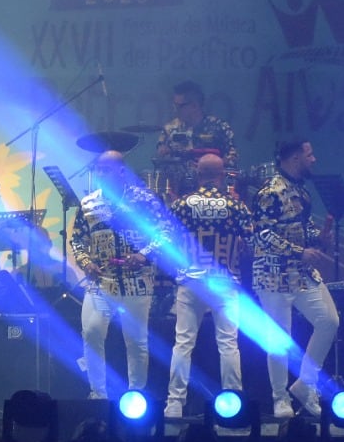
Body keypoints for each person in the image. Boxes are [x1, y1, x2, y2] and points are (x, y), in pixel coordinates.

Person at [69, 151, 172, 401]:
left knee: (136, 340)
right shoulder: (89, 203)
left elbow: (165, 233)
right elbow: (77, 240)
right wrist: (86, 263)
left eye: (107, 169)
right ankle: (98, 393)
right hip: (101, 280)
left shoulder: (145, 200)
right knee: (92, 332)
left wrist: (144, 255)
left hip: (136, 280)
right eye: (99, 170)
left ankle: (136, 393)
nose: (102, 174)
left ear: (122, 171)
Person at [253, 139, 340, 419]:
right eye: (309, 154)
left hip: (301, 275)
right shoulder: (271, 191)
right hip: (273, 276)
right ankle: (280, 398)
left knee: (329, 320)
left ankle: (305, 383)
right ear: (294, 159)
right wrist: (299, 252)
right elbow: (263, 235)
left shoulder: (301, 191)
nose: (313, 159)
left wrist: (319, 237)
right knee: (280, 339)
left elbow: (303, 227)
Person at [165, 154, 253, 419]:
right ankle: (233, 399)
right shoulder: (234, 205)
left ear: (197, 173)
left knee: (183, 343)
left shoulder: (181, 204)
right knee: (228, 343)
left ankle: (175, 403)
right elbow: (250, 239)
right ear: (222, 174)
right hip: (223, 280)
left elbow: (168, 239)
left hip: (192, 280)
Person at [155, 81, 238, 199]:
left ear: (194, 106)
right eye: (174, 105)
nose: (175, 110)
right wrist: (163, 153)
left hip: (213, 191)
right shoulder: (170, 129)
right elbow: (160, 161)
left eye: (180, 106)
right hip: (178, 191)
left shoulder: (219, 127)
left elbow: (232, 158)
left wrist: (210, 164)